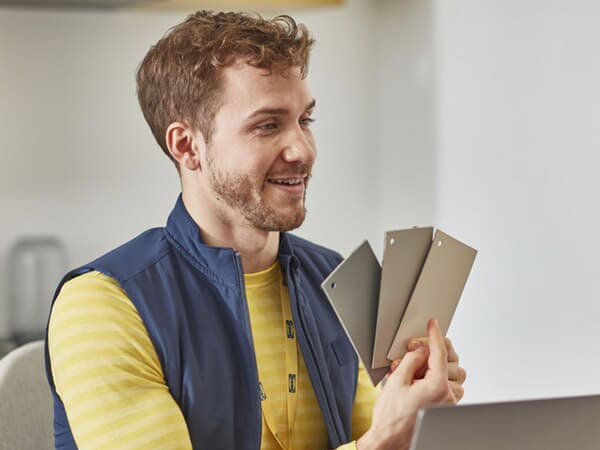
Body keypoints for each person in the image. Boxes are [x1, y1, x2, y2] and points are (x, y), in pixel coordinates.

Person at [44, 10, 466, 450]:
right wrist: (380, 443)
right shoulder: (103, 304)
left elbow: (380, 433)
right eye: (268, 125)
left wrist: (420, 418)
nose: (301, 149)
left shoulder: (340, 280)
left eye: (305, 120)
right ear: (188, 146)